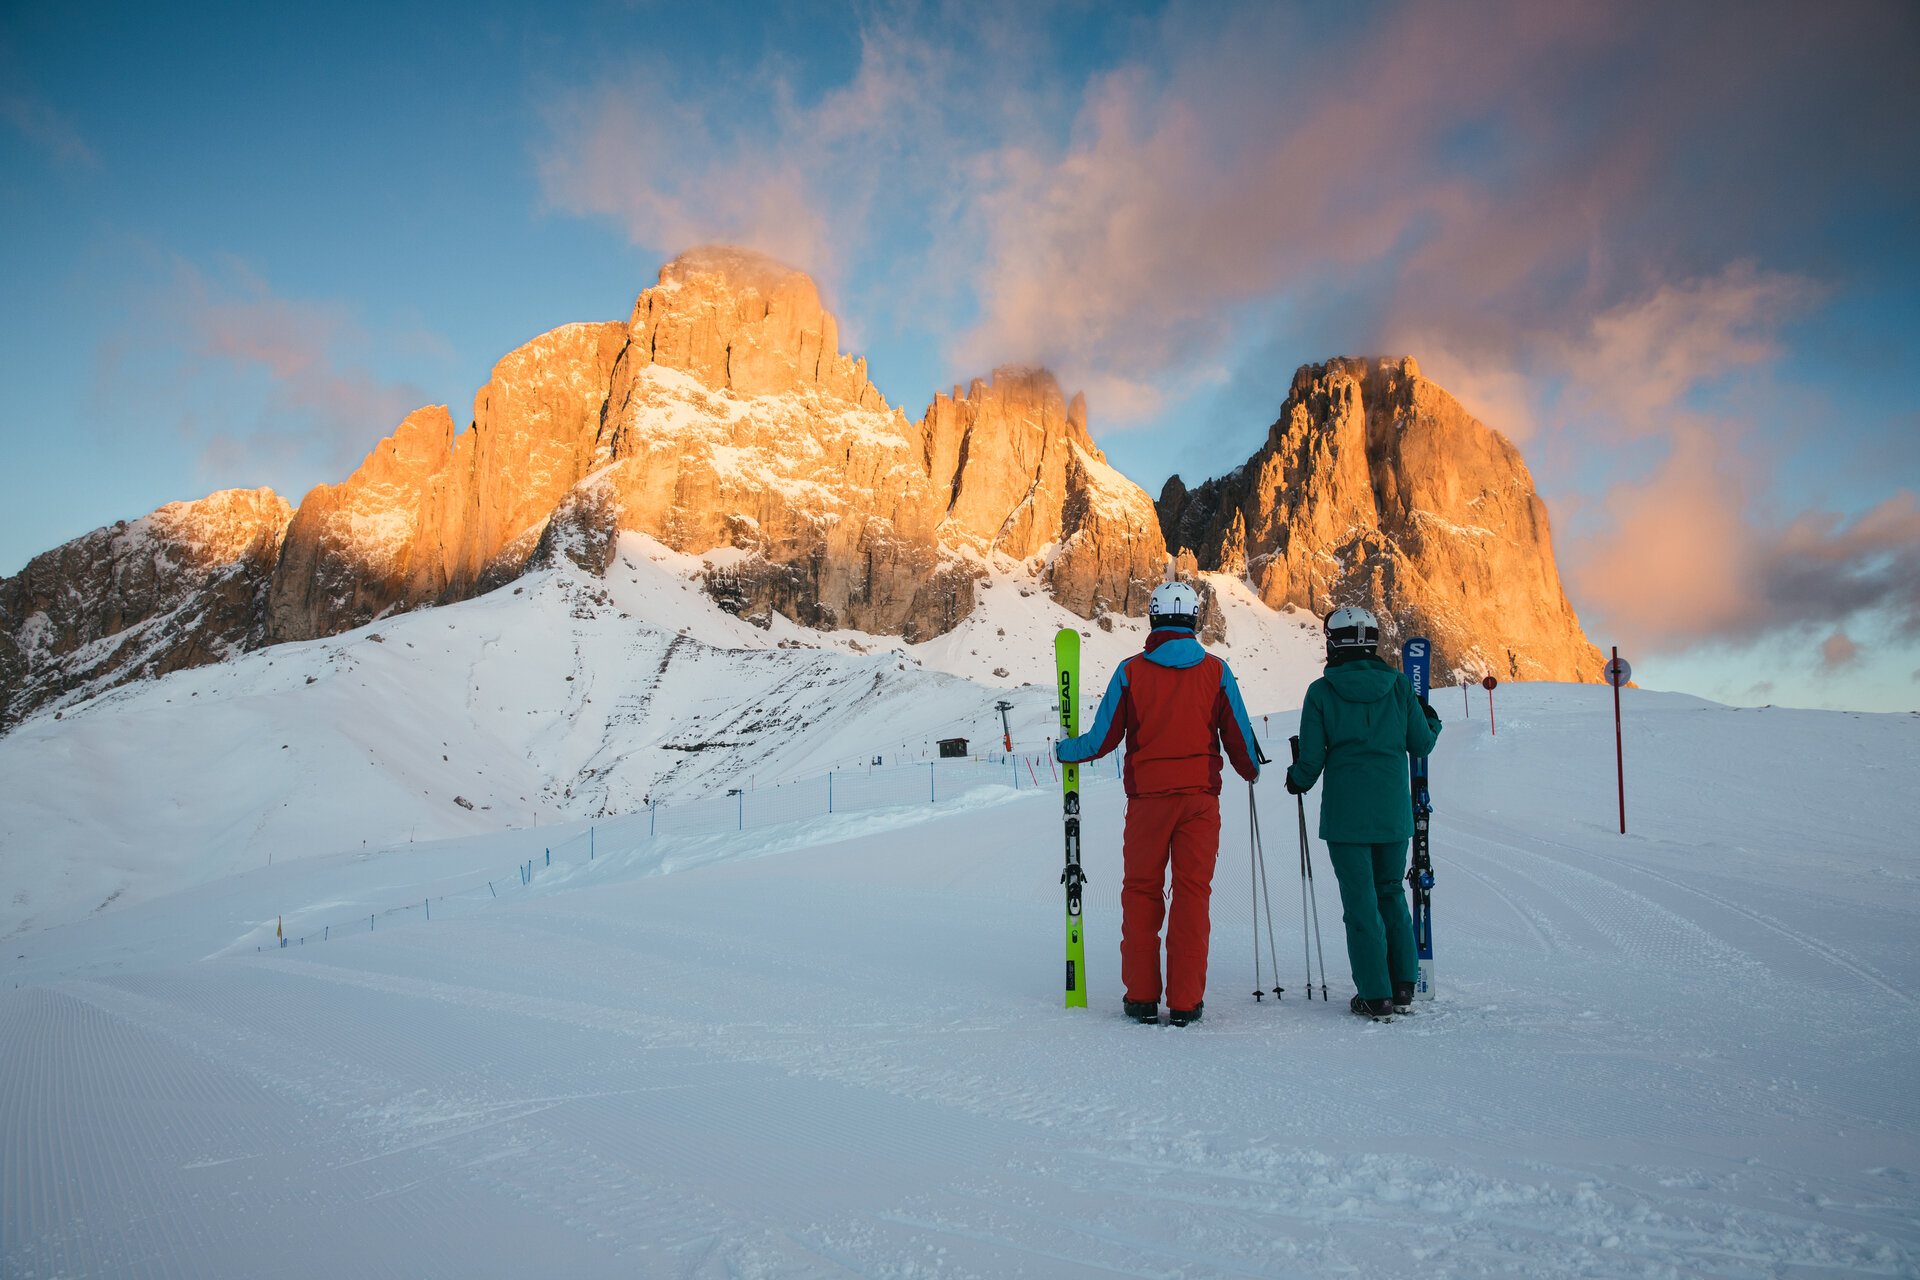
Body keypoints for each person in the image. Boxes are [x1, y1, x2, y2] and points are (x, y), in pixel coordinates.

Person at [1056, 581, 1262, 1026]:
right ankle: (1186, 1002)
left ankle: (1142, 998)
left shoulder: (1130, 672)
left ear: (1153, 618)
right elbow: (1239, 736)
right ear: (1193, 620)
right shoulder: (1217, 671)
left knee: (1141, 892)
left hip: (1148, 803)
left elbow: (1102, 739)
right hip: (1200, 802)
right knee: (1192, 896)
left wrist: (1065, 750)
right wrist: (1251, 770)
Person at [1283, 606, 1442, 1019]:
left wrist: (1296, 779)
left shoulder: (1321, 692)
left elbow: (1311, 761)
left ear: (1333, 643)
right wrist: (1432, 720)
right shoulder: (1400, 686)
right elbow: (1421, 744)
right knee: (1391, 892)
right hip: (1392, 812)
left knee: (1360, 902)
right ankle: (1402, 986)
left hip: (1346, 817)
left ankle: (1375, 995)